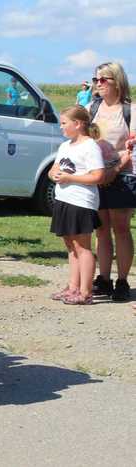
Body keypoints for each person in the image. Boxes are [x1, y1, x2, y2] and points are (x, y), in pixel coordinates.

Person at [88, 62, 136, 301]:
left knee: (121, 228)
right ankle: (104, 279)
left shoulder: (130, 110)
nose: (98, 84)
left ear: (117, 81)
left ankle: (123, 281)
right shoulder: (92, 108)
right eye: (96, 79)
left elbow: (132, 148)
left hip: (123, 175)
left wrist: (115, 169)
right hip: (97, 175)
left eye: (103, 79)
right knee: (101, 229)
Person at [48, 105, 105, 305]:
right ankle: (73, 287)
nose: (61, 127)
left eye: (64, 123)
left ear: (78, 124)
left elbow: (98, 176)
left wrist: (70, 177)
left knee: (82, 247)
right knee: (71, 246)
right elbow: (54, 168)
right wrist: (54, 174)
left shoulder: (90, 146)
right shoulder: (65, 146)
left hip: (81, 202)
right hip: (64, 199)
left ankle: (85, 292)